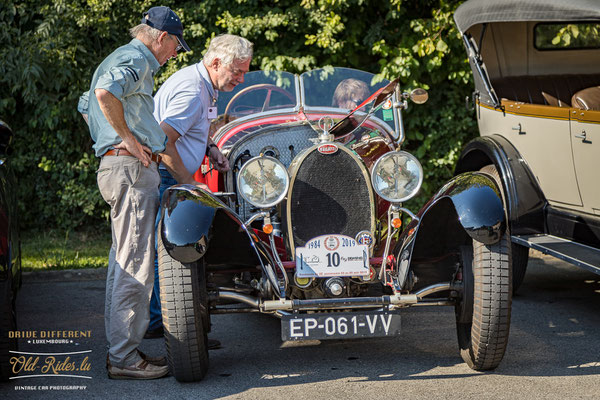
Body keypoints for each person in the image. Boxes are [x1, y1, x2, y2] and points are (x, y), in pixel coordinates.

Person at [78, 6, 190, 380]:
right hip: (129, 169)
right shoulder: (136, 59)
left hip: (119, 166)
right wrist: (126, 140)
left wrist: (109, 141)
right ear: (161, 37)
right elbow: (104, 93)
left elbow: (85, 103)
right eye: (176, 44)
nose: (175, 53)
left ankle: (123, 350)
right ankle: (124, 358)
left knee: (122, 262)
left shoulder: (120, 57)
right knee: (136, 267)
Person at [146, 34, 253, 341]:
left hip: (171, 172)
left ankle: (166, 321)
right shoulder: (193, 90)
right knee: (168, 248)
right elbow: (163, 140)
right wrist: (190, 183)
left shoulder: (204, 85)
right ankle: (161, 324)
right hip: (166, 174)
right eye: (238, 72)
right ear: (216, 62)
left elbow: (189, 127)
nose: (241, 79)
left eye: (245, 72)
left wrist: (210, 149)